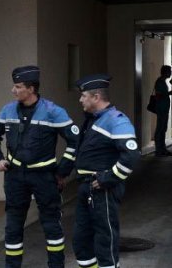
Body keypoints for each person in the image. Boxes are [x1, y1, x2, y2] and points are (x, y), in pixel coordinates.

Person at [0, 65, 79, 268]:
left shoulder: (53, 112)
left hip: (44, 177)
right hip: (15, 176)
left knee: (51, 226)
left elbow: (75, 141)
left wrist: (62, 171)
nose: (13, 90)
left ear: (31, 88)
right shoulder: (8, 109)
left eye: (18, 86)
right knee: (13, 227)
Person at [57, 74, 141, 268]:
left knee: (105, 241)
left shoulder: (116, 120)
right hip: (86, 187)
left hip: (103, 189)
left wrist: (108, 178)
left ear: (96, 97)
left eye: (83, 95)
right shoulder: (92, 120)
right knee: (81, 241)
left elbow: (131, 155)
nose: (80, 99)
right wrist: (63, 172)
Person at [153, 65, 172, 157]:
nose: (171, 73)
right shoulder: (159, 82)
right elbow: (159, 95)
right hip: (161, 108)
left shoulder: (162, 81)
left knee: (162, 129)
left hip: (163, 108)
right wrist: (169, 93)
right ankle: (159, 150)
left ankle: (162, 149)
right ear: (166, 72)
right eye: (170, 72)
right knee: (160, 129)